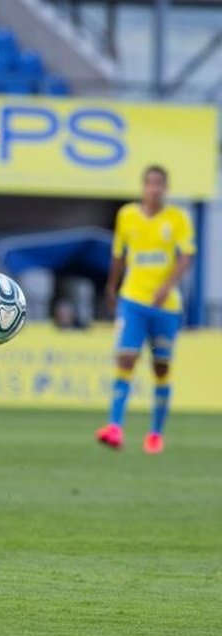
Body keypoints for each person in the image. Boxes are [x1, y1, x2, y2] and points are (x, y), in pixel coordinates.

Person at [96, 166, 195, 455]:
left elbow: (186, 256)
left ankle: (155, 434)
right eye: (150, 183)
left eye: (159, 184)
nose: (154, 189)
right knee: (126, 359)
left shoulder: (177, 219)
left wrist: (167, 287)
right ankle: (114, 427)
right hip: (133, 300)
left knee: (160, 367)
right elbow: (118, 254)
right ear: (143, 187)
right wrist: (111, 287)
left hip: (166, 306)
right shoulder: (127, 215)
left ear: (166, 188)